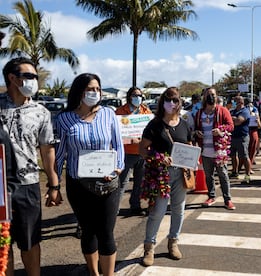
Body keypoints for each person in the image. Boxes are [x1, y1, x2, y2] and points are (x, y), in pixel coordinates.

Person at [55, 73, 125, 276]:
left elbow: (118, 145)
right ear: (79, 92)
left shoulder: (109, 114)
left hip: (108, 182)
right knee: (88, 232)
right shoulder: (64, 119)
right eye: (89, 89)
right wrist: (55, 185)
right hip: (78, 185)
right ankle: (93, 273)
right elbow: (59, 155)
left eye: (97, 89)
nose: (94, 93)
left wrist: (117, 168)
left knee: (106, 233)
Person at [1, 57, 62, 276]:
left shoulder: (41, 112)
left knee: (30, 241)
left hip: (28, 185)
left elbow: (47, 150)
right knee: (3, 243)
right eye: (29, 76)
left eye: (35, 77)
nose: (35, 81)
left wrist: (54, 184)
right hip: (0, 187)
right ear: (12, 78)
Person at [139, 87, 192, 267]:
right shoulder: (155, 125)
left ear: (180, 103)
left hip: (181, 173)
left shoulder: (184, 124)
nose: (172, 103)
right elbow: (142, 150)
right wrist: (159, 158)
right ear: (162, 102)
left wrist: (190, 161)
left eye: (175, 100)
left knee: (179, 210)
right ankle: (149, 247)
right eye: (168, 100)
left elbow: (190, 146)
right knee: (157, 212)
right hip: (160, 175)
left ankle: (173, 242)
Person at [194, 87, 235, 210]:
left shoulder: (222, 111)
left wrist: (220, 130)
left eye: (212, 94)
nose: (210, 97)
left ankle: (227, 199)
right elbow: (195, 128)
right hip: (205, 150)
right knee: (208, 175)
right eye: (207, 95)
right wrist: (197, 132)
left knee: (223, 174)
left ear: (216, 96)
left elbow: (231, 126)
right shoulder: (199, 113)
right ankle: (211, 196)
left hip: (219, 150)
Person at [115, 86, 152, 216]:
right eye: (135, 95)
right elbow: (116, 133)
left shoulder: (146, 111)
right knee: (121, 183)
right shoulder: (120, 112)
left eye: (140, 95)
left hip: (142, 152)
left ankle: (135, 206)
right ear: (129, 97)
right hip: (126, 152)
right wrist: (129, 139)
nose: (138, 98)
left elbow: (150, 130)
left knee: (139, 183)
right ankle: (114, 209)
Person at [229, 95, 251, 183]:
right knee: (233, 155)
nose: (233, 102)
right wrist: (233, 119)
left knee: (245, 156)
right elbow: (228, 121)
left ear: (241, 102)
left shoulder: (245, 111)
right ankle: (235, 172)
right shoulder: (233, 111)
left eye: (235, 101)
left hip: (242, 137)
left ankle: (248, 175)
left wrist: (233, 119)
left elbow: (238, 121)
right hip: (233, 136)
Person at [246, 98, 261, 169]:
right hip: (246, 131)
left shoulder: (255, 109)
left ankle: (249, 166)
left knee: (252, 149)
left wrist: (257, 120)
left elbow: (259, 125)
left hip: (253, 130)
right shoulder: (244, 110)